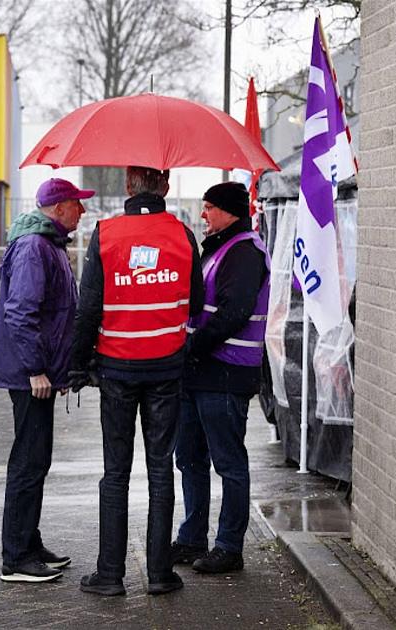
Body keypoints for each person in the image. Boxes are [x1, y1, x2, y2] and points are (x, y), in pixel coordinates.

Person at [69, 166, 203, 596]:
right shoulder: (183, 236)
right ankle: (160, 574)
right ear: (164, 186)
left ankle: (110, 574)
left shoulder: (105, 234)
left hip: (117, 369)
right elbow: (197, 303)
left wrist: (77, 364)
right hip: (167, 368)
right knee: (161, 470)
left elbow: (88, 308)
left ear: (128, 186)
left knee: (116, 472)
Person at [0, 177, 94, 583]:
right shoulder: (35, 247)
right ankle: (16, 557)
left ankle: (29, 544)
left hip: (40, 373)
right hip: (31, 375)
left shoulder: (46, 243)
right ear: (59, 207)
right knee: (28, 462)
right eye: (77, 204)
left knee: (36, 459)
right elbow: (21, 311)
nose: (82, 212)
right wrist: (36, 369)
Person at [172, 181, 271, 574]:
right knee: (190, 460)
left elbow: (233, 312)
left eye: (209, 207)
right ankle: (192, 538)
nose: (203, 215)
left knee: (228, 462)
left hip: (225, 373)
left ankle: (229, 546)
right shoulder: (217, 249)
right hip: (200, 373)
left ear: (229, 211)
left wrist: (191, 348)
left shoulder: (244, 251)